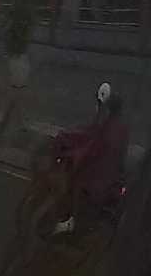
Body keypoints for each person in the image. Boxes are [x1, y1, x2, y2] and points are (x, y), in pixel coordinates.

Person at [54, 92, 129, 234]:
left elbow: (93, 149)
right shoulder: (123, 128)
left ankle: (71, 220)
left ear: (109, 108)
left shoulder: (107, 126)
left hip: (98, 174)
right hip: (113, 174)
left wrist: (74, 155)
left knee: (75, 180)